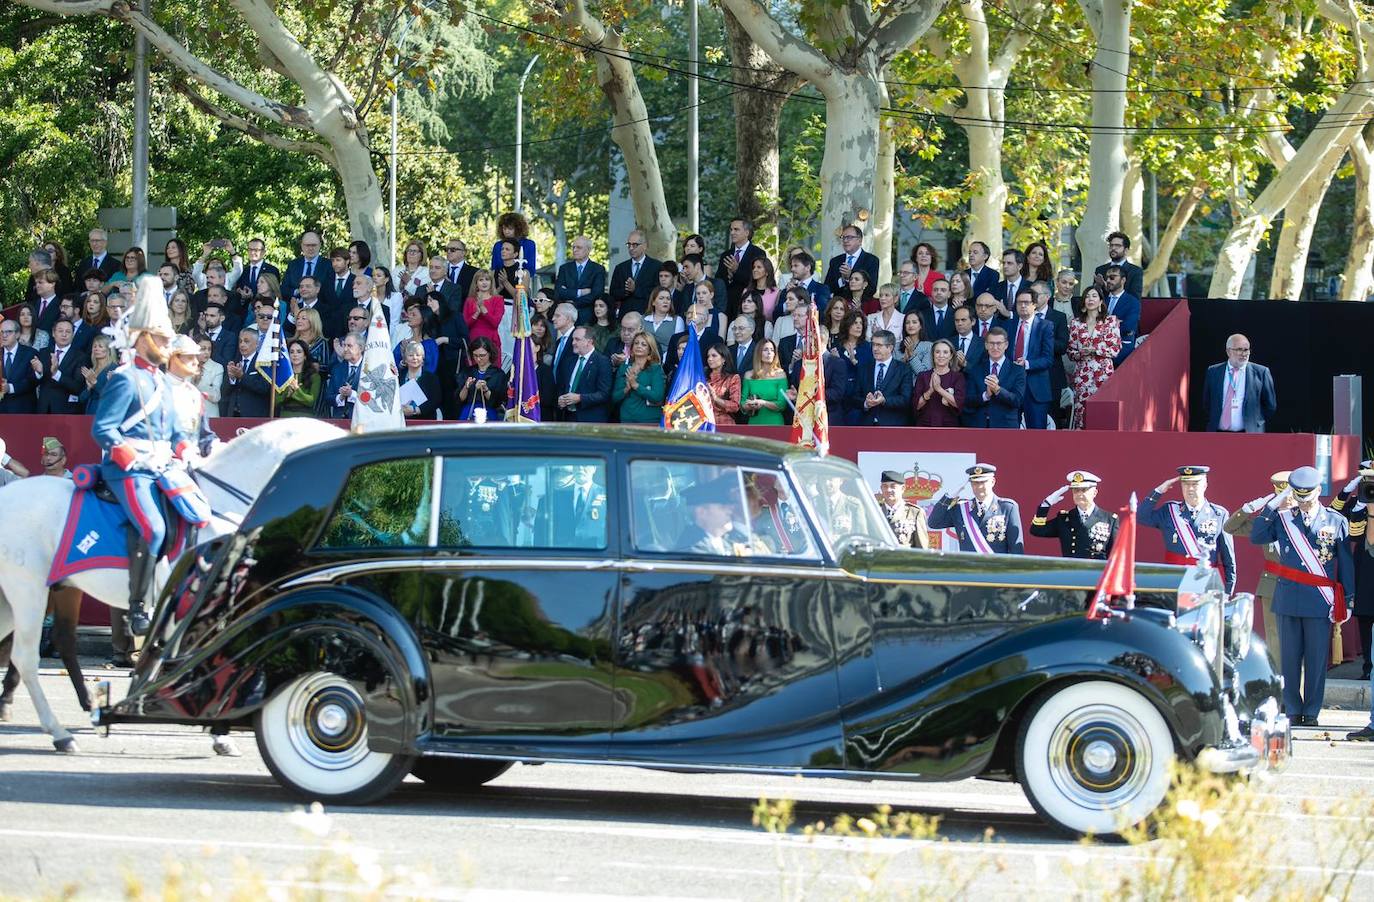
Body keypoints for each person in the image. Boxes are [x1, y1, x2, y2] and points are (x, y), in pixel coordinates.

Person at [91, 279, 191, 635]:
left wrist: (188, 450)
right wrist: (129, 455)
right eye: (163, 339)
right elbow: (103, 429)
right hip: (128, 470)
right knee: (154, 526)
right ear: (146, 338)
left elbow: (176, 432)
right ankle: (137, 607)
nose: (168, 346)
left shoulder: (164, 382)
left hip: (163, 467)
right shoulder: (123, 379)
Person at [1249, 466, 1354, 727]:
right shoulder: (1283, 518)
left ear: (1319, 491)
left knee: (1317, 660)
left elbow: (1346, 563)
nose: (1305, 503)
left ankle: (1312, 711)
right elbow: (1256, 536)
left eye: (1309, 497)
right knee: (1290, 658)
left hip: (1320, 600)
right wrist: (1274, 504)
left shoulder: (1335, 520)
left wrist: (1348, 598)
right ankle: (1293, 708)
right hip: (1288, 598)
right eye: (1300, 497)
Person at [1226, 470, 1296, 665]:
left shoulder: (1307, 520)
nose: (1288, 500)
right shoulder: (1266, 523)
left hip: (1300, 583)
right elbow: (1230, 527)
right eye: (1283, 495)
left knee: (1298, 637)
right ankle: (1278, 681)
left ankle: (1297, 686)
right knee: (1274, 637)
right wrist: (1250, 507)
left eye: (1291, 494)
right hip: (1272, 583)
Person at [1141, 466, 1237, 594]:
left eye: (1195, 484)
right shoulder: (1170, 511)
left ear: (1205, 485)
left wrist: (1228, 591)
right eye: (1185, 484)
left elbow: (1228, 558)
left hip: (1205, 581)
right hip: (1175, 581)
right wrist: (1158, 491)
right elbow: (1141, 517)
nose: (1190, 489)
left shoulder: (1219, 514)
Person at [928, 464, 1024, 554]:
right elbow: (933, 523)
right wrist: (949, 498)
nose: (979, 486)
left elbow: (1016, 549)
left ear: (992, 482)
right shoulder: (961, 509)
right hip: (969, 570)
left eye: (983, 482)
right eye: (975, 483)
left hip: (996, 570)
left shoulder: (1007, 508)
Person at [1066, 285, 1121, 429]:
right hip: (1082, 374)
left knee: (1103, 413)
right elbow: (1070, 352)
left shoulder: (1111, 321)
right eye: (1087, 296)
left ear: (1101, 301)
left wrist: (1096, 350)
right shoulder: (1076, 323)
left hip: (1103, 375)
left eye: (1094, 296)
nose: (1090, 299)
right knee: (1081, 412)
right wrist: (1080, 353)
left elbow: (1115, 349)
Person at [1031, 470, 1119, 559]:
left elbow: (1115, 554)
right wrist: (1046, 505)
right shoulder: (1064, 518)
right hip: (1072, 570)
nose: (1079, 494)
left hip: (1096, 571)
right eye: (1076, 490)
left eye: (1084, 490)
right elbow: (1037, 530)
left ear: (1095, 493)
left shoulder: (1109, 519)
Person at [1204, 333, 1278, 433]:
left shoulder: (1262, 372)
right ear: (1228, 351)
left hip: (1249, 433)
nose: (1244, 354)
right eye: (1239, 349)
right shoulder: (1213, 371)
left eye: (1246, 350)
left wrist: (1255, 421)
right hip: (1218, 433)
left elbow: (1270, 406)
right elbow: (1207, 403)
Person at [1007, 290, 1054, 429]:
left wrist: (1027, 363)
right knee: (1009, 432)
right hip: (1011, 386)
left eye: (1026, 303)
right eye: (1019, 302)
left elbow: (1048, 359)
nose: (1022, 306)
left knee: (1036, 434)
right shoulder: (1008, 324)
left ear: (1034, 305)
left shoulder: (1045, 326)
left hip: (1035, 387)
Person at [963, 327, 1024, 429]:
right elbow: (968, 400)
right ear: (986, 345)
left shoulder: (1017, 370)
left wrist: (998, 390)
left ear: (1006, 345)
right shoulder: (976, 369)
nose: (995, 347)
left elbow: (1017, 400)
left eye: (999, 343)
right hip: (979, 426)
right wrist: (985, 395)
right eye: (991, 343)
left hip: (1006, 427)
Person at [851, 330, 912, 426]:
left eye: (879, 345)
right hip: (867, 425)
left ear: (890, 347)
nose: (875, 348)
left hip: (892, 426)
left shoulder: (903, 369)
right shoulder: (864, 368)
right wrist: (866, 403)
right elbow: (854, 397)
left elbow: (905, 399)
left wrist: (884, 400)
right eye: (873, 344)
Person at [555, 326, 611, 422]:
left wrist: (580, 398)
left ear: (589, 342)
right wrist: (561, 399)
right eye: (573, 339)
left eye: (577, 339)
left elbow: (604, 394)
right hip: (568, 417)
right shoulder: (569, 361)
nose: (573, 343)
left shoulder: (602, 361)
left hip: (590, 419)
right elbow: (563, 386)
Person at [611, 331, 666, 425]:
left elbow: (657, 397)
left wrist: (635, 385)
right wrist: (626, 389)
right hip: (626, 419)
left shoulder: (655, 369)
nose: (639, 346)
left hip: (649, 421)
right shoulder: (624, 367)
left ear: (650, 350)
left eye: (644, 344)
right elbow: (614, 397)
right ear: (631, 348)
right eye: (636, 343)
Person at [35, 319, 87, 414]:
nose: (64, 334)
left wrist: (56, 374)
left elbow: (77, 387)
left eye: (68, 331)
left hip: (66, 410)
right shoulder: (43, 353)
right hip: (43, 408)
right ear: (53, 333)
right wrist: (39, 373)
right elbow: (32, 382)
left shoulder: (80, 356)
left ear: (73, 335)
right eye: (60, 331)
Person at [555, 236, 607, 324]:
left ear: (588, 250)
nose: (574, 250)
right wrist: (580, 292)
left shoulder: (598, 269)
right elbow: (559, 292)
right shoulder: (564, 268)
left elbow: (596, 294)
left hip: (587, 316)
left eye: (578, 247)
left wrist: (573, 303)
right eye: (573, 247)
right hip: (566, 317)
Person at [913, 339, 965, 427]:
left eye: (945, 352)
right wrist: (930, 391)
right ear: (933, 354)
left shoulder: (958, 377)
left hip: (949, 426)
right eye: (937, 352)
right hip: (925, 424)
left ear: (951, 355)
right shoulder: (923, 376)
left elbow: (958, 403)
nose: (941, 355)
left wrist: (939, 389)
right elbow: (916, 406)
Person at [609, 229, 661, 317]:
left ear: (644, 246)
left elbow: (657, 293)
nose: (631, 248)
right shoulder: (621, 268)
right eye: (629, 244)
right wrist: (626, 291)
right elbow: (613, 293)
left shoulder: (657, 266)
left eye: (635, 245)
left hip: (647, 315)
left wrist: (635, 289)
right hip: (625, 316)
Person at [824, 224, 880, 300]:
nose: (845, 241)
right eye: (843, 237)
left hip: (861, 305)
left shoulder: (871, 260)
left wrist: (850, 276)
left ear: (860, 240)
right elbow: (826, 288)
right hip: (840, 306)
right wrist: (842, 280)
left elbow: (872, 289)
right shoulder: (835, 261)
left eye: (849, 237)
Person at [740, 339, 789, 425]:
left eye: (772, 350)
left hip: (775, 423)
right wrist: (750, 405)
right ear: (758, 353)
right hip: (754, 422)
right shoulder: (748, 375)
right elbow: (742, 403)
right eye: (765, 350)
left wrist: (763, 403)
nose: (769, 353)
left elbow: (782, 404)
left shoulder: (781, 374)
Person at [879, 470, 931, 549]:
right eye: (885, 486)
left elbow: (922, 548)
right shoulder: (874, 511)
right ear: (881, 488)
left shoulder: (914, 512)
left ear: (903, 488)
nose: (888, 490)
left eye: (893, 486)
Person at [1100, 264, 1140, 366]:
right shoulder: (1100, 300)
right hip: (1099, 350)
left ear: (1123, 280)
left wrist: (1103, 326)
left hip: (1123, 350)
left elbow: (1128, 326)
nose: (1108, 280)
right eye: (1107, 277)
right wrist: (1115, 322)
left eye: (1112, 277)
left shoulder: (1133, 302)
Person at [0, 318, 42, 413]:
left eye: (8, 332)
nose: (4, 335)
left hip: (22, 410)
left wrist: (10, 388)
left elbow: (32, 381)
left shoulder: (30, 353)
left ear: (18, 334)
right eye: (1, 332)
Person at [274, 339, 321, 417]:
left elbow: (311, 401)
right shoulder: (281, 376)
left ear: (305, 356)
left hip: (305, 417)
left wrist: (296, 390)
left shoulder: (314, 376)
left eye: (299, 352)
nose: (295, 355)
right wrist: (287, 394)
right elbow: (276, 401)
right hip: (285, 416)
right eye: (292, 352)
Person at [325, 332, 365, 419]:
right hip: (339, 422)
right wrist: (340, 397)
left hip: (361, 422)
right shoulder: (337, 369)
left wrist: (352, 394)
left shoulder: (369, 370)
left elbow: (372, 398)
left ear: (360, 348)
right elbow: (328, 397)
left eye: (349, 346)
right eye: (344, 345)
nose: (345, 349)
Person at [1093, 231, 1144, 298]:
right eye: (1111, 245)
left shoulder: (1135, 271)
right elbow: (1095, 297)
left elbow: (1134, 298)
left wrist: (1106, 287)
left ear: (1126, 250)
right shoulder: (1100, 270)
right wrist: (1098, 287)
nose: (1113, 248)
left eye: (1117, 246)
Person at [78, 334, 116, 414]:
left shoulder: (114, 369)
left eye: (100, 346)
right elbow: (81, 399)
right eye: (94, 346)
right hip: (90, 411)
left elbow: (112, 396)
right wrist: (88, 388)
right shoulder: (92, 370)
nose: (96, 349)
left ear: (109, 350)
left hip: (105, 412)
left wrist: (95, 383)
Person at [491, 211, 538, 278]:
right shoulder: (498, 246)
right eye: (504, 228)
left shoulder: (529, 244)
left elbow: (531, 270)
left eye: (510, 229)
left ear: (518, 229)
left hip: (523, 281)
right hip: (500, 280)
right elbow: (494, 268)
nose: (506, 232)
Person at [704, 344, 742, 424]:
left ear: (724, 359)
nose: (710, 359)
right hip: (704, 423)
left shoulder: (733, 378)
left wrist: (716, 398)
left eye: (714, 356)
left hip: (724, 423)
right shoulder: (703, 377)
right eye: (708, 356)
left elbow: (735, 406)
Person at [643, 287, 684, 351]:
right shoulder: (643, 319)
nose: (665, 301)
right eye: (661, 298)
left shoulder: (677, 320)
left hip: (667, 359)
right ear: (653, 302)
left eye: (668, 299)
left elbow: (678, 345)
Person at [194, 336, 224, 417]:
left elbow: (216, 396)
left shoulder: (217, 367)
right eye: (203, 349)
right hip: (190, 415)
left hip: (209, 415)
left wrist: (199, 382)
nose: (207, 352)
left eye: (209, 349)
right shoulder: (187, 365)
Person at [897, 310, 932, 375]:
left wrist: (911, 355)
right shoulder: (896, 346)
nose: (910, 325)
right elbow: (893, 373)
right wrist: (904, 360)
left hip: (918, 384)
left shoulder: (929, 346)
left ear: (921, 325)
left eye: (914, 322)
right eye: (907, 323)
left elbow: (923, 374)